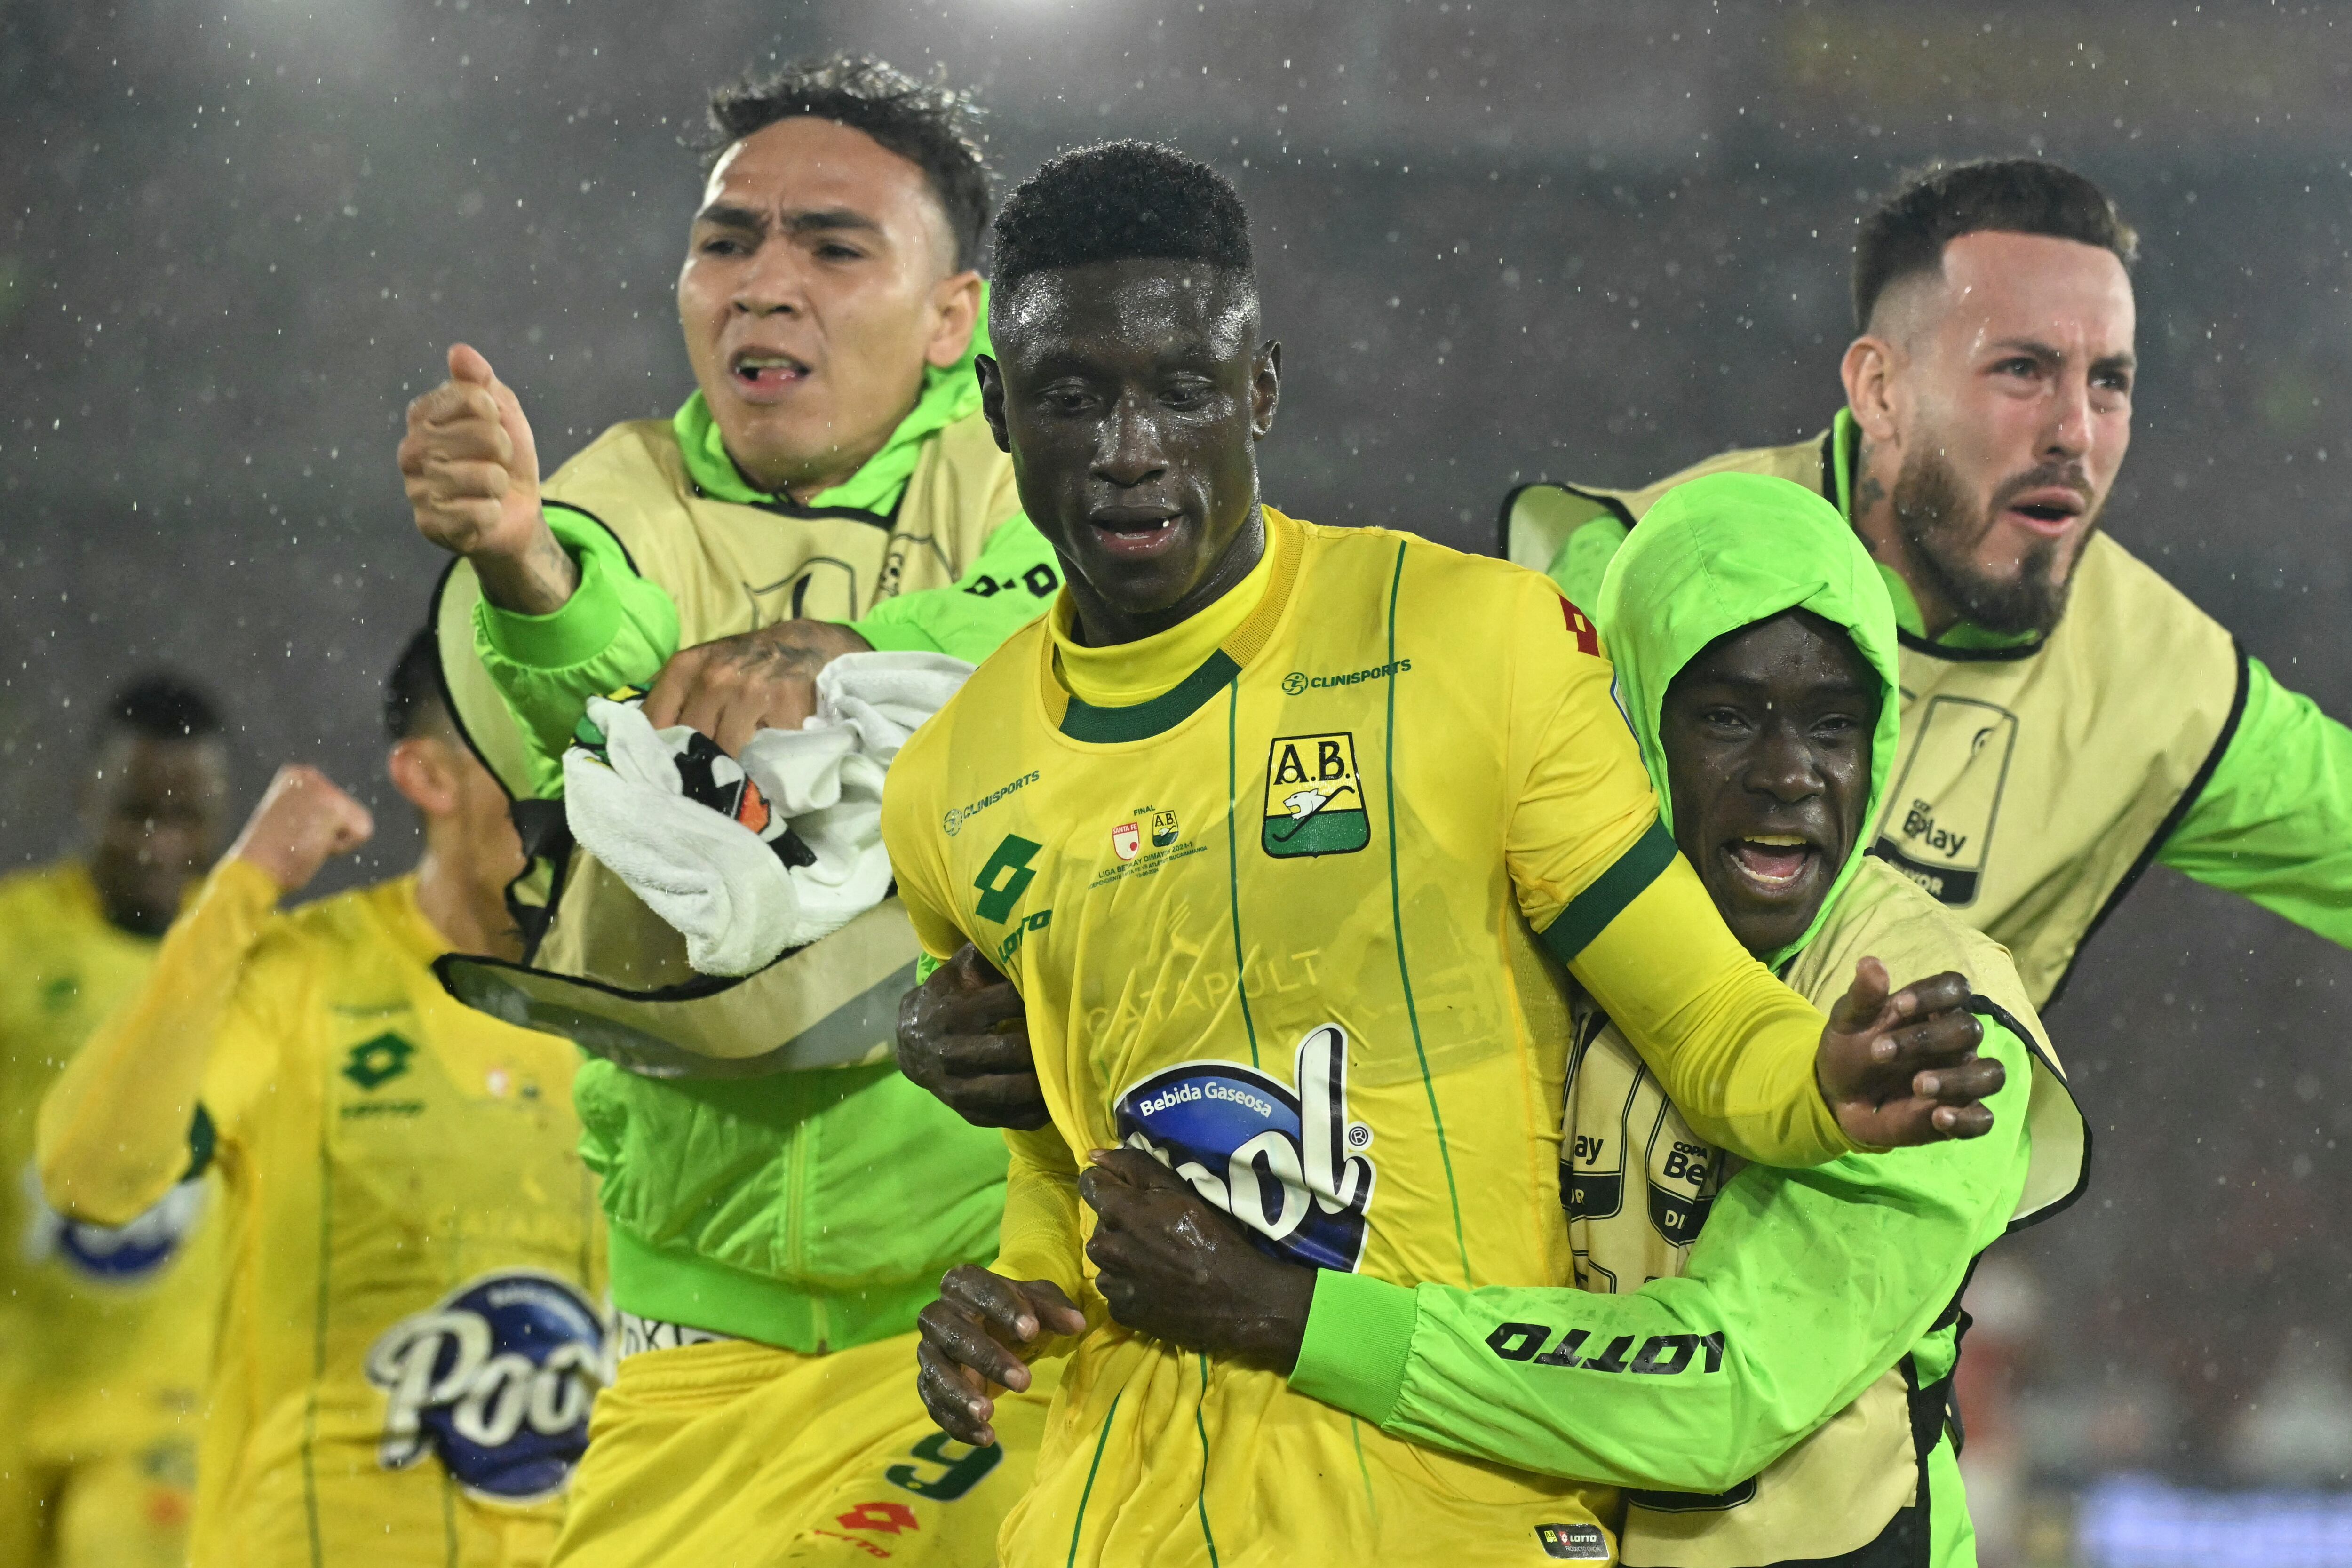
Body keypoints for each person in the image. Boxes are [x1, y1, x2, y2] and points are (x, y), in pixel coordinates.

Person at [882, 142, 2002, 1566]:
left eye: (1180, 388)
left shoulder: (1478, 644)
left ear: (1262, 391)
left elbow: (1713, 1022)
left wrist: (1822, 1085)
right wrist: (1010, 1302)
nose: (1128, 448)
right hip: (1117, 1517)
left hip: (1442, 1507)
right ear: (993, 406)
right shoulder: (947, 788)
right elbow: (1066, 1165)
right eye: (1071, 395)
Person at [1067, 474, 2090, 1567]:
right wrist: (1006, 1030)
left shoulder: (1930, 1033)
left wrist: (1289, 1313)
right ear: (1636, 714)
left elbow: (1720, 1393)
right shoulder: (1535, 908)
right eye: (1730, 716)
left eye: (1834, 726)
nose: (1791, 773)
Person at [402, 57, 1057, 1567]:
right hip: (690, 1315)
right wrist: (520, 563)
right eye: (728, 240)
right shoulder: (621, 488)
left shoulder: (1026, 463)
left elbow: (1069, 623)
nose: (767, 284)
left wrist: (860, 657)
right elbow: (596, 697)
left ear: (953, 313)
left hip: (994, 1290)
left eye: (833, 247)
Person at [1507, 157, 2352, 1007]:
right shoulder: (1631, 577)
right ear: (1881, 391)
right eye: (2024, 369)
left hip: (1896, 1140)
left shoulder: (2166, 677)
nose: (2076, 432)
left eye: (2109, 383)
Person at [37, 632, 604, 1568]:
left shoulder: (655, 1008)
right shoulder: (305, 978)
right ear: (431, 774)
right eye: (544, 759)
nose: (582, 797)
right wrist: (241, 889)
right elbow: (93, 1175)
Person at [0, 674, 232, 1568]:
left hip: (162, 1409)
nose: (157, 843)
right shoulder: (17, 943)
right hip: (17, 1386)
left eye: (187, 818)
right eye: (135, 811)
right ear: (87, 796)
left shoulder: (250, 958)